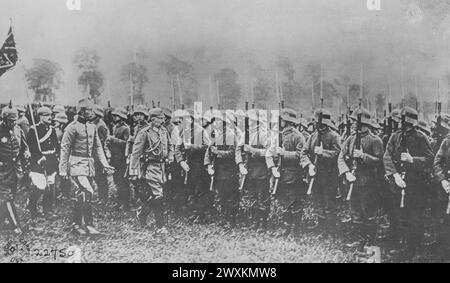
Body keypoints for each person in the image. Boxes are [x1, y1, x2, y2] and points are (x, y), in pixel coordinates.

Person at [383, 106, 434, 260]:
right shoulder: (395, 136)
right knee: (399, 215)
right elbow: (387, 156)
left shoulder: (421, 137)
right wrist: (395, 174)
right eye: (402, 123)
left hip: (416, 184)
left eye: (407, 124)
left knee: (414, 216)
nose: (403, 126)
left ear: (413, 124)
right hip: (397, 182)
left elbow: (430, 159)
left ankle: (414, 247)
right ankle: (402, 244)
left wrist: (413, 160)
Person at [59, 98, 114, 235]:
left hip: (89, 165)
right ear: (81, 111)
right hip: (77, 164)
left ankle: (77, 225)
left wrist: (105, 164)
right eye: (88, 110)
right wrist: (62, 169)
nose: (90, 113)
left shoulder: (92, 127)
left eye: (91, 110)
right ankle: (88, 224)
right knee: (87, 191)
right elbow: (65, 149)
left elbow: (98, 147)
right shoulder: (71, 128)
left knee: (84, 194)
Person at [337, 108, 384, 250]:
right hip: (352, 181)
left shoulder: (375, 140)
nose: (351, 124)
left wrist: (364, 156)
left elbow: (380, 161)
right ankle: (359, 240)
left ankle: (370, 241)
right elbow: (341, 157)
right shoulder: (350, 139)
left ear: (362, 124)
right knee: (355, 212)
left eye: (353, 122)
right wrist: (346, 173)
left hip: (368, 182)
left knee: (368, 212)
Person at [129, 108, 173, 233]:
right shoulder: (144, 132)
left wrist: (170, 157)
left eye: (163, 118)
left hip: (162, 167)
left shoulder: (164, 131)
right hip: (150, 167)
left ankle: (142, 213)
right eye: (159, 118)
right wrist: (133, 171)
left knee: (154, 196)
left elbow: (170, 146)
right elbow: (136, 153)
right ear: (152, 119)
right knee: (158, 196)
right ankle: (161, 226)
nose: (162, 121)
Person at [266, 108, 306, 236]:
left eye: (282, 119)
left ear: (287, 121)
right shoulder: (278, 135)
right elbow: (269, 153)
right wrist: (272, 167)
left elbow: (302, 155)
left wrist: (285, 154)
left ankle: (296, 230)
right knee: (284, 202)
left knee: (295, 203)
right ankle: (287, 228)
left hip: (294, 174)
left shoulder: (297, 136)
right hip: (280, 174)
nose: (280, 121)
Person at [301, 109, 341, 231]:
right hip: (315, 174)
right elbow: (304, 152)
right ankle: (321, 227)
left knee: (329, 202)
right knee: (318, 201)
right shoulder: (313, 136)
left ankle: (331, 229)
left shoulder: (334, 136)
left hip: (329, 176)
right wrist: (309, 165)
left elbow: (339, 153)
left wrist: (322, 152)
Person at [204, 110, 240, 228]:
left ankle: (231, 220)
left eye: (218, 121)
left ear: (224, 122)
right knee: (222, 195)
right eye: (214, 121)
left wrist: (218, 152)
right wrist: (208, 164)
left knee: (230, 196)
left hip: (229, 170)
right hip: (219, 171)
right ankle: (225, 218)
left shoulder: (229, 135)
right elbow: (209, 151)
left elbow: (232, 153)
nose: (216, 123)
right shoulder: (215, 135)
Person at [0, 103, 30, 235]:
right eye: (10, 121)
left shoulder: (18, 130)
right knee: (7, 197)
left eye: (15, 120)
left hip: (15, 170)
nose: (13, 123)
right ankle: (15, 225)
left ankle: (2, 221)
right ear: (4, 119)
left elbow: (24, 146)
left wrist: (26, 152)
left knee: (10, 195)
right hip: (2, 170)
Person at [26, 106, 60, 222]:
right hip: (38, 163)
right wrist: (40, 158)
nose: (50, 117)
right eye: (46, 115)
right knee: (41, 186)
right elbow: (32, 147)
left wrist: (57, 157)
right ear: (40, 117)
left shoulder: (52, 130)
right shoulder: (33, 130)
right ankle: (32, 206)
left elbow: (56, 145)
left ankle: (48, 210)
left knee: (50, 186)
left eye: (50, 115)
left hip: (51, 162)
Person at [107, 107, 131, 210]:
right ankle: (119, 201)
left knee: (123, 181)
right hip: (115, 157)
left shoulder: (126, 128)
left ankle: (126, 203)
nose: (114, 117)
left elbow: (127, 144)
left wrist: (114, 140)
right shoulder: (115, 127)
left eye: (116, 116)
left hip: (122, 158)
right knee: (117, 180)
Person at [91, 104, 110, 205]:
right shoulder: (94, 123)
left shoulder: (101, 125)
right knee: (97, 176)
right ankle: (100, 196)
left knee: (102, 177)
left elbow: (103, 142)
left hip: (100, 154)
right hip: (94, 154)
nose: (90, 114)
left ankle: (104, 198)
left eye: (93, 113)